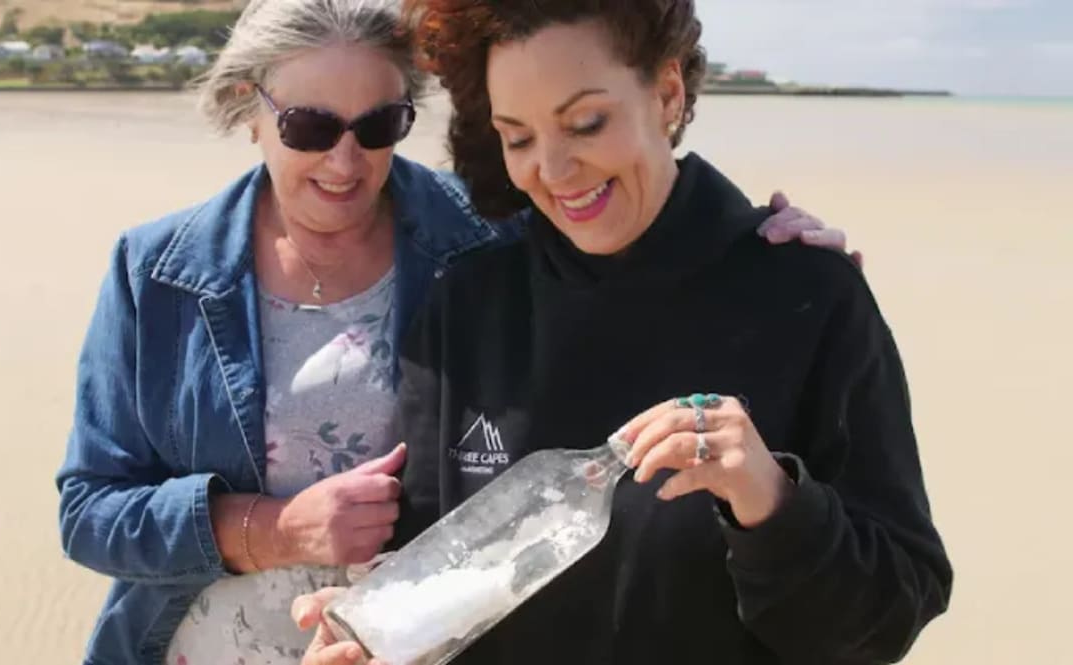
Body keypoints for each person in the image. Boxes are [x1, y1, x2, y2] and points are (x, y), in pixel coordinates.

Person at [54, 0, 855, 663]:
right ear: (248, 112)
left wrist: (759, 242)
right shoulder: (154, 270)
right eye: (307, 127)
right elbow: (89, 510)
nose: (344, 160)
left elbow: (613, 199)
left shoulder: (479, 242)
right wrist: (270, 529)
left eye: (378, 125)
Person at [296, 0, 952, 664]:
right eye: (518, 137)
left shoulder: (810, 295)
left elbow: (889, 617)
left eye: (586, 123)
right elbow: (432, 581)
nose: (552, 172)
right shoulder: (467, 304)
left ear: (666, 93)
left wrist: (771, 501)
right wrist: (370, 631)